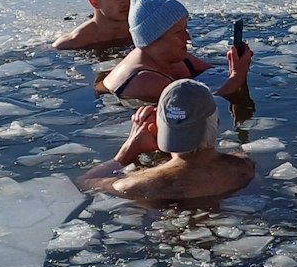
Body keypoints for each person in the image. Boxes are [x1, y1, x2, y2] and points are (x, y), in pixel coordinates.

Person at [79, 80, 256, 202]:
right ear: (217, 123)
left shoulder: (138, 185)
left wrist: (127, 152)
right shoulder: (244, 166)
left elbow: (82, 185)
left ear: (159, 127)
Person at [100, 0, 251, 104]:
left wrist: (235, 65)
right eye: (179, 32)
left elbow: (213, 74)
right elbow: (203, 106)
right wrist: (238, 74)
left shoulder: (174, 56)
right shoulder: (145, 80)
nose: (188, 38)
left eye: (185, 29)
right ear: (154, 40)